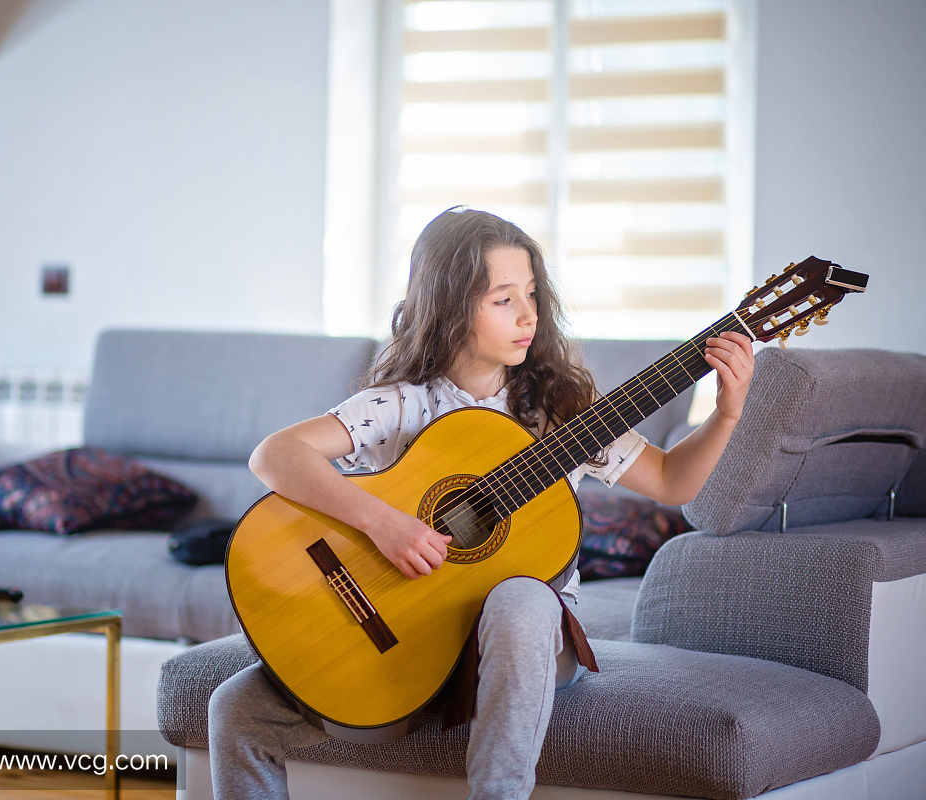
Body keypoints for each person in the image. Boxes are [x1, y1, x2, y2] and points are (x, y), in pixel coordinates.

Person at [208, 207, 755, 800]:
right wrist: (386, 524)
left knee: (521, 597)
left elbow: (674, 482)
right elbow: (275, 455)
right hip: (412, 635)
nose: (529, 315)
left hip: (521, 637)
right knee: (233, 707)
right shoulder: (401, 405)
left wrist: (727, 413)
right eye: (503, 300)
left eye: (532, 295)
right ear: (448, 307)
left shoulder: (560, 413)